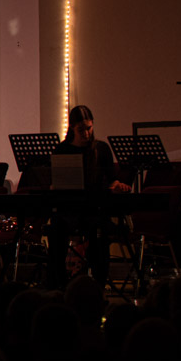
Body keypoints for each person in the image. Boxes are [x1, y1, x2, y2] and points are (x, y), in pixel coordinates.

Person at [48, 104, 131, 287]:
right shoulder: (62, 150)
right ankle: (58, 285)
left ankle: (98, 284)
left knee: (99, 233)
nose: (86, 133)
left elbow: (112, 180)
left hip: (95, 210)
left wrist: (118, 186)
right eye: (81, 130)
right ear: (72, 128)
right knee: (56, 229)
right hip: (69, 210)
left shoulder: (101, 149)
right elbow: (55, 183)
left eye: (89, 128)